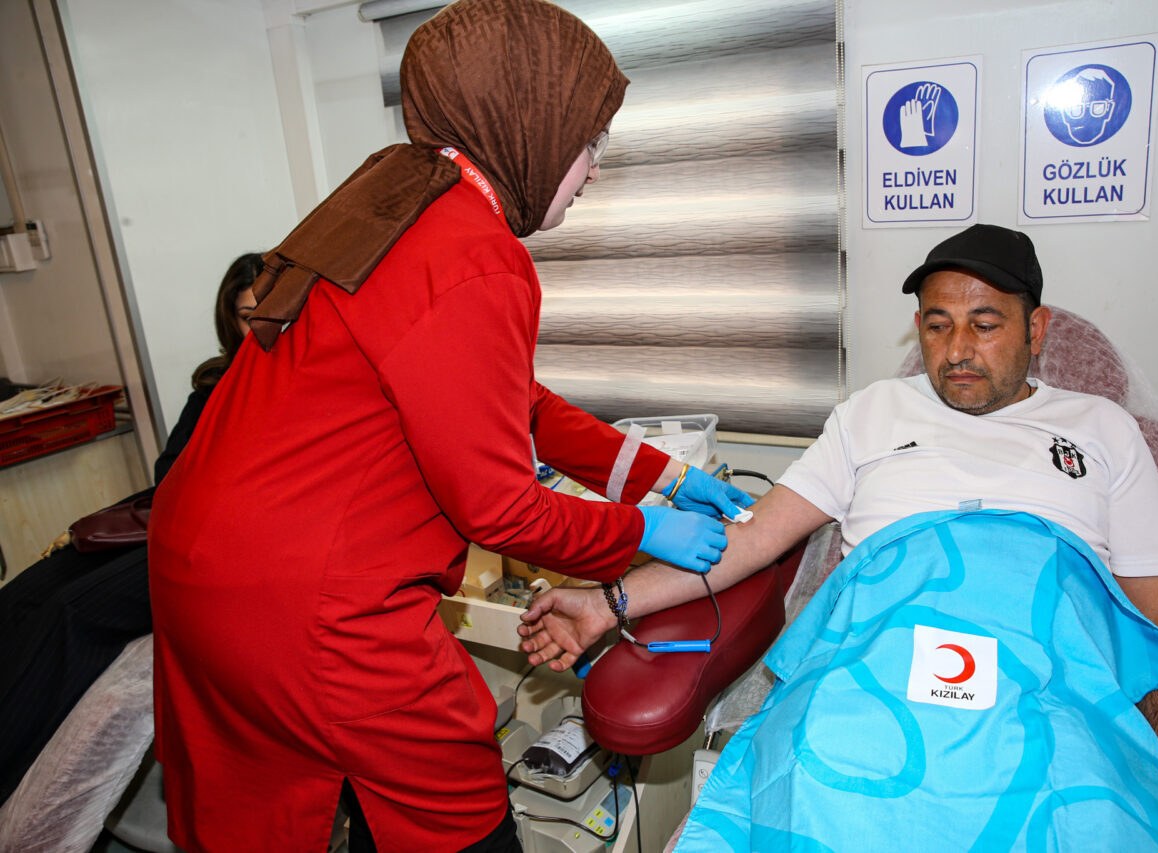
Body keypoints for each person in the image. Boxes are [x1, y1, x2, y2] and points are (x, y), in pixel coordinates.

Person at [147, 1, 751, 851]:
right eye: (589, 143)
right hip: (307, 603)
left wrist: (667, 475)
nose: (593, 170)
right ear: (528, 122)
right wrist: (644, 531)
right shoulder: (472, 250)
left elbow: (518, 403)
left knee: (292, 808)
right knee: (454, 811)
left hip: (207, 567)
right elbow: (500, 509)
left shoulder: (389, 198)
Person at [519, 224, 1158, 852]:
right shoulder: (872, 414)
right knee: (818, 777)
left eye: (985, 324)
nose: (957, 350)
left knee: (1086, 813)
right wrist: (608, 602)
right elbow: (753, 538)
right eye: (937, 325)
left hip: (1048, 688)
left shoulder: (1103, 430)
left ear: (1036, 328)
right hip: (872, 674)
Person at [0, 251, 262, 805]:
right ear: (230, 321)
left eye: (269, 313)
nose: (259, 327)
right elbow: (169, 472)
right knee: (28, 589)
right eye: (246, 316)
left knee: (69, 612)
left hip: (226, 538)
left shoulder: (300, 381)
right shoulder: (215, 385)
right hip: (179, 515)